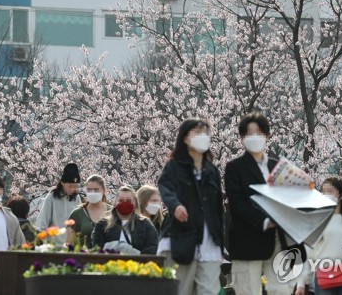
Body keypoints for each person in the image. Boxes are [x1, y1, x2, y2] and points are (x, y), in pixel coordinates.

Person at [225, 112, 300, 295]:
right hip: (246, 238)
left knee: (282, 289)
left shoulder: (279, 166)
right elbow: (237, 203)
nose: (254, 137)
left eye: (259, 133)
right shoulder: (234, 168)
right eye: (249, 134)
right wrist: (266, 220)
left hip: (278, 239)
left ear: (267, 136)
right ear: (242, 138)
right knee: (247, 289)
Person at [157, 118, 224, 295]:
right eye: (197, 132)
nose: (202, 137)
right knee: (180, 289)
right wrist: (175, 206)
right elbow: (166, 189)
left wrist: (221, 237)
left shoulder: (212, 171)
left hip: (210, 240)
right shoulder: (174, 167)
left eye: (205, 133)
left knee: (209, 290)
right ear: (185, 138)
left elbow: (218, 208)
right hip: (182, 237)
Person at [91, 185, 158, 254]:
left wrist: (135, 254)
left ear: (135, 203)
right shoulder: (103, 224)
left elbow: (153, 248)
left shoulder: (145, 225)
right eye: (121, 200)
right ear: (115, 202)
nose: (125, 203)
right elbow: (96, 247)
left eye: (128, 200)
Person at [35, 163, 82, 244]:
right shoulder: (51, 197)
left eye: (75, 186)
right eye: (70, 186)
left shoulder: (76, 198)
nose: (73, 189)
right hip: (54, 246)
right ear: (63, 183)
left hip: (71, 246)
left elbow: (79, 223)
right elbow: (42, 224)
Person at [66, 174, 111, 247]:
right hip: (83, 257)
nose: (92, 193)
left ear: (104, 191)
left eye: (96, 190)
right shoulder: (77, 214)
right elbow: (69, 243)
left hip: (108, 256)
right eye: (89, 190)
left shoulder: (113, 212)